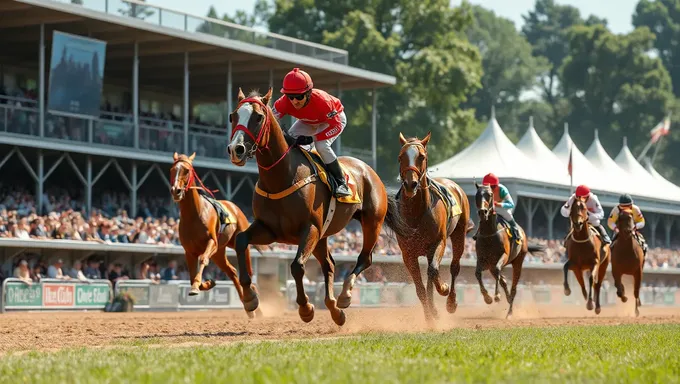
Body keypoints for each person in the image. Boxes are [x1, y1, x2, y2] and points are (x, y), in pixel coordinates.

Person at [271, 68, 351, 198]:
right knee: (289, 143)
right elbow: (270, 121)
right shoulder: (283, 102)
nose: (294, 101)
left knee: (321, 145)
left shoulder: (323, 101)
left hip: (332, 120)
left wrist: (312, 138)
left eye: (299, 96)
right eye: (290, 97)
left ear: (308, 93)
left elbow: (335, 125)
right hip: (308, 121)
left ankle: (340, 181)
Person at [473, 173, 522, 243]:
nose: (490, 189)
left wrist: (499, 204)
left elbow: (511, 204)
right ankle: (478, 233)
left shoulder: (502, 189)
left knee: (509, 216)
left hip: (501, 209)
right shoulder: (483, 190)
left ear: (496, 185)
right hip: (490, 209)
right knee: (482, 216)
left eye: (492, 187)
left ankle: (516, 233)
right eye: (487, 186)